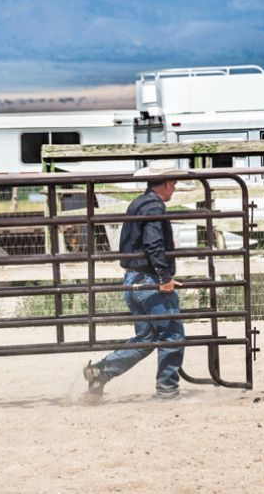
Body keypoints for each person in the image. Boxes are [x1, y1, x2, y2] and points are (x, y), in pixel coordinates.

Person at [83, 162, 186, 399]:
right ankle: (168, 391)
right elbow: (153, 242)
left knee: (146, 338)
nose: (175, 189)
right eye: (175, 184)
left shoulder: (138, 202)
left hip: (132, 279)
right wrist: (164, 277)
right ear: (168, 184)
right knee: (172, 335)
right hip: (148, 280)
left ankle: (101, 371)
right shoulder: (153, 206)